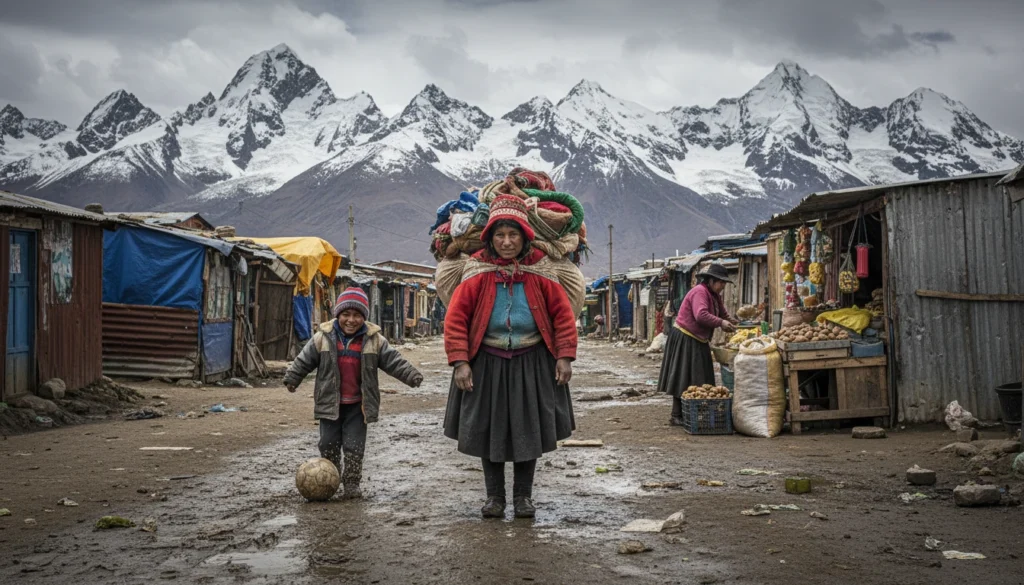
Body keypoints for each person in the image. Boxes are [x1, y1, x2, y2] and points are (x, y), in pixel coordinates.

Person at [443, 194, 578, 519]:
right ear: (490, 237)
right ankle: (495, 498)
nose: (506, 242)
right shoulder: (477, 272)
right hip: (485, 362)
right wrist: (460, 361)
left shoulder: (541, 272)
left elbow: (561, 316)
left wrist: (564, 357)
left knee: (526, 432)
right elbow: (456, 320)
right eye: (500, 235)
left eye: (513, 235)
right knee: (489, 431)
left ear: (524, 237)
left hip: (531, 362)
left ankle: (523, 498)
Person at [284, 287, 424, 499]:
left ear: (364, 317)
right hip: (330, 403)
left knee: (354, 447)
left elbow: (393, 361)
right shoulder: (322, 337)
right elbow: (304, 360)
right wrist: (292, 378)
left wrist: (411, 375)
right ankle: (329, 480)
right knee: (328, 444)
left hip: (359, 405)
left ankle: (351, 483)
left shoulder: (374, 339)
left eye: (357, 315)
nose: (351, 320)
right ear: (337, 315)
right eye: (346, 314)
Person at [657, 264, 738, 426]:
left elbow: (722, 312)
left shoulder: (715, 295)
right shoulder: (700, 292)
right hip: (685, 336)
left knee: (702, 376)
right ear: (711, 280)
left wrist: (731, 320)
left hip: (699, 338)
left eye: (724, 283)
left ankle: (697, 412)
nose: (722, 286)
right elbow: (701, 315)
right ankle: (676, 414)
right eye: (721, 282)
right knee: (683, 375)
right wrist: (721, 323)